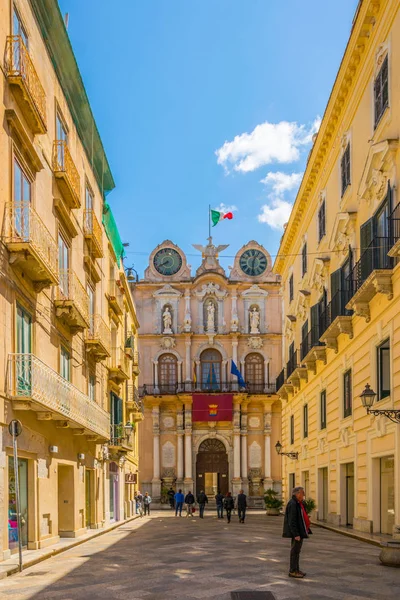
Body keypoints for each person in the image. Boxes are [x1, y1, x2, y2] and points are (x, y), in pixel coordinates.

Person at [282, 486, 312, 579]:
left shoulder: (298, 503)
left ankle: (296, 569)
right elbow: (292, 521)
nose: (304, 495)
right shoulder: (293, 504)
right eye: (302, 493)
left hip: (300, 531)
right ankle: (292, 571)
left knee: (297, 552)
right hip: (297, 533)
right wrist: (296, 534)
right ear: (297, 494)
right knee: (294, 552)